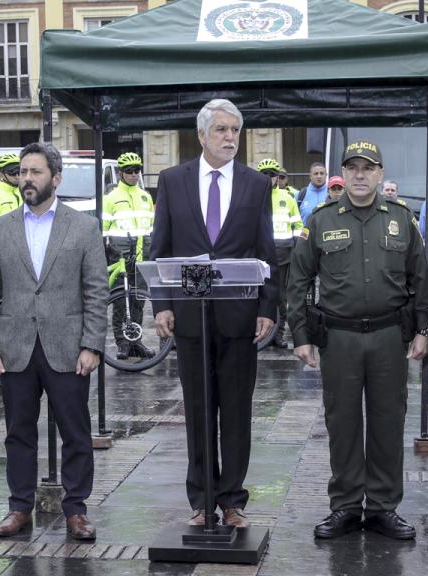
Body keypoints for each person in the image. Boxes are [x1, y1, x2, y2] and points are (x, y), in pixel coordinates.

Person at [287, 140, 428, 541]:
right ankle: (347, 506)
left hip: (389, 336)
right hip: (339, 338)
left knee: (388, 422)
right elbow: (297, 281)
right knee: (343, 423)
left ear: (381, 174)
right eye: (352, 168)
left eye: (368, 168)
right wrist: (300, 335)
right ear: (343, 174)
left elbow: (421, 279)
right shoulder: (319, 220)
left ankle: (383, 508)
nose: (360, 175)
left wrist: (423, 330)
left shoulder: (403, 220)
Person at [150, 98, 277, 529]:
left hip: (239, 316)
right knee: (198, 409)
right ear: (202, 135)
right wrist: (162, 304)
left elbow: (266, 251)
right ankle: (202, 499)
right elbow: (160, 246)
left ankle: (233, 501)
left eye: (235, 131)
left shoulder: (256, 185)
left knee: (237, 411)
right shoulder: (172, 180)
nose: (229, 138)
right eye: (221, 130)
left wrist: (267, 308)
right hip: (190, 314)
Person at [0, 142, 107, 541]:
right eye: (23, 172)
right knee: (18, 432)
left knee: (76, 431)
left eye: (35, 172)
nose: (27, 179)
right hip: (14, 347)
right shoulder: (1, 228)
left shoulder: (83, 226)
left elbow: (96, 290)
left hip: (68, 348)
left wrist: (93, 345)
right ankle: (19, 508)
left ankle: (76, 510)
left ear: (56, 178)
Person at [102, 152, 155, 359]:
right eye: (129, 171)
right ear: (121, 173)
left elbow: (150, 227)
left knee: (139, 300)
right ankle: (122, 343)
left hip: (142, 254)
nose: (134, 174)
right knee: (120, 302)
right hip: (120, 256)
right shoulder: (111, 198)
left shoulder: (145, 196)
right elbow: (104, 230)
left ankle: (136, 341)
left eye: (137, 170)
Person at [257, 158, 301, 347]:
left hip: (283, 253)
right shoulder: (252, 196)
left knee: (280, 296)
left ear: (277, 177)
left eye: (272, 175)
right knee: (258, 295)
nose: (268, 178)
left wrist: (297, 245)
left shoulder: (287, 198)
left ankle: (278, 334)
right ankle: (260, 332)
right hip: (258, 255)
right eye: (264, 175)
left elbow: (297, 224)